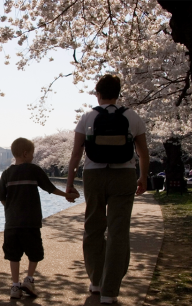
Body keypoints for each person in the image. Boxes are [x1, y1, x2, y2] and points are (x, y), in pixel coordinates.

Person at [66, 75, 149, 304]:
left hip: (93, 175)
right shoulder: (132, 116)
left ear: (97, 93)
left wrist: (70, 182)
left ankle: (95, 282)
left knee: (93, 227)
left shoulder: (87, 117)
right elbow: (142, 152)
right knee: (118, 232)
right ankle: (110, 292)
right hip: (124, 176)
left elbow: (75, 155)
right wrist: (142, 177)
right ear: (118, 93)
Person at [0, 137, 79, 299]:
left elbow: (1, 197)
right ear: (26, 154)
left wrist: (10, 208)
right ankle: (29, 279)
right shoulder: (34, 170)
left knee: (13, 254)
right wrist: (67, 195)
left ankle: (15, 286)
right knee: (35, 252)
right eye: (32, 153)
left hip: (12, 223)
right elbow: (50, 188)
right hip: (31, 222)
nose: (33, 156)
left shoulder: (6, 174)